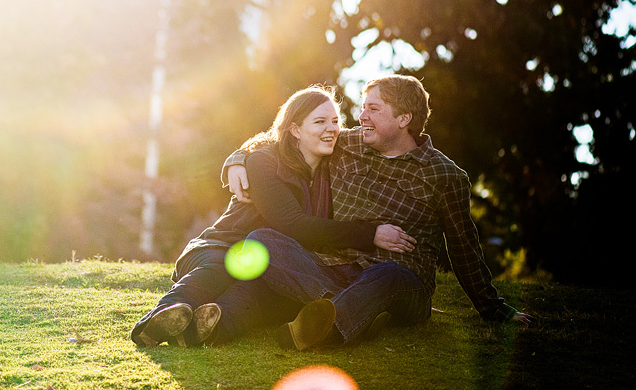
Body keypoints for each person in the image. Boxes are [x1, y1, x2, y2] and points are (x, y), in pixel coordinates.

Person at [224, 75, 531, 351]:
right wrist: (238, 157)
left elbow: (465, 249)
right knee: (261, 240)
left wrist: (495, 309)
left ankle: (328, 325)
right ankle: (348, 311)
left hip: (402, 284)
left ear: (403, 119)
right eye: (363, 108)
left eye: (373, 109)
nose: (361, 117)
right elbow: (287, 136)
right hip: (336, 271)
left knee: (386, 275)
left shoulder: (445, 176)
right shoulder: (349, 144)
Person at [131, 85, 415, 347]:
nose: (331, 129)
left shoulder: (333, 167)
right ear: (295, 129)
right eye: (320, 122)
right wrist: (371, 234)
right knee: (223, 267)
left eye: (335, 122)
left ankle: (206, 330)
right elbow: (291, 224)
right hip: (225, 248)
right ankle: (156, 322)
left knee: (258, 296)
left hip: (272, 265)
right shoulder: (265, 161)